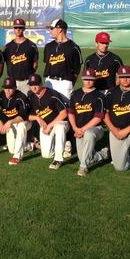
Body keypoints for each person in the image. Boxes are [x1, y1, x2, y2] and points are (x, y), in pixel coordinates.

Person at [43, 18, 82, 158]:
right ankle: (51, 139)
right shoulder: (48, 47)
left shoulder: (74, 47)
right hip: (50, 81)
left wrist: (70, 82)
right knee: (50, 110)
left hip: (65, 82)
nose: (50, 31)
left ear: (60, 29)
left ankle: (67, 143)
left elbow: (77, 69)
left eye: (52, 28)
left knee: (66, 111)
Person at [68, 68, 110, 177]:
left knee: (89, 134)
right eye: (86, 79)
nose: (88, 81)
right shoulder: (75, 94)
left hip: (96, 129)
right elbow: (71, 113)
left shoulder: (99, 96)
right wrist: (75, 128)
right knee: (83, 157)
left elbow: (98, 118)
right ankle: (103, 153)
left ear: (94, 80)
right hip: (78, 129)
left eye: (91, 79)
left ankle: (83, 167)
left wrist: (82, 130)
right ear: (82, 79)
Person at [27, 74, 69, 170]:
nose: (34, 87)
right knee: (47, 155)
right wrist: (37, 118)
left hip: (61, 122)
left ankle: (58, 159)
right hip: (45, 126)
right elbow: (27, 116)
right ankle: (65, 144)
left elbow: (64, 113)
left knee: (59, 128)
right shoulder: (31, 97)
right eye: (31, 84)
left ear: (41, 84)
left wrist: (50, 125)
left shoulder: (52, 94)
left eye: (36, 84)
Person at [0, 77, 30, 166]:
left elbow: (23, 116)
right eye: (6, 88)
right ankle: (30, 145)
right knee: (11, 149)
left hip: (24, 122)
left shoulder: (21, 97)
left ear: (15, 88)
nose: (8, 91)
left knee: (21, 125)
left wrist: (9, 122)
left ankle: (17, 156)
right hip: (10, 124)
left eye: (10, 88)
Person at [3, 18, 38, 95]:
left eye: (20, 27)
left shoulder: (31, 46)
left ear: (24, 28)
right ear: (13, 29)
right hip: (12, 82)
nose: (18, 29)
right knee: (12, 106)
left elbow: (35, 64)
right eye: (16, 27)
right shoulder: (8, 47)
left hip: (26, 82)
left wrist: (29, 77)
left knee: (26, 105)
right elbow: (3, 63)